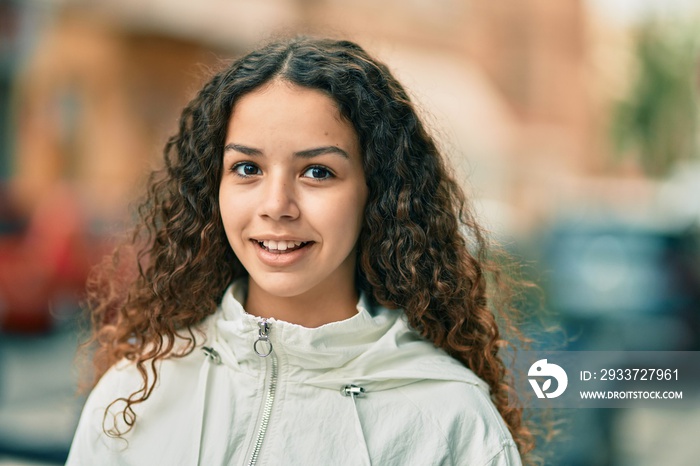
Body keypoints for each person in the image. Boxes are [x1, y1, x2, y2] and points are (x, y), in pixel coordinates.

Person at [67, 36, 534, 465]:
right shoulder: (133, 396)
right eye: (247, 167)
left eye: (317, 172)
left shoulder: (451, 422)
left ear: (378, 193)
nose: (276, 206)